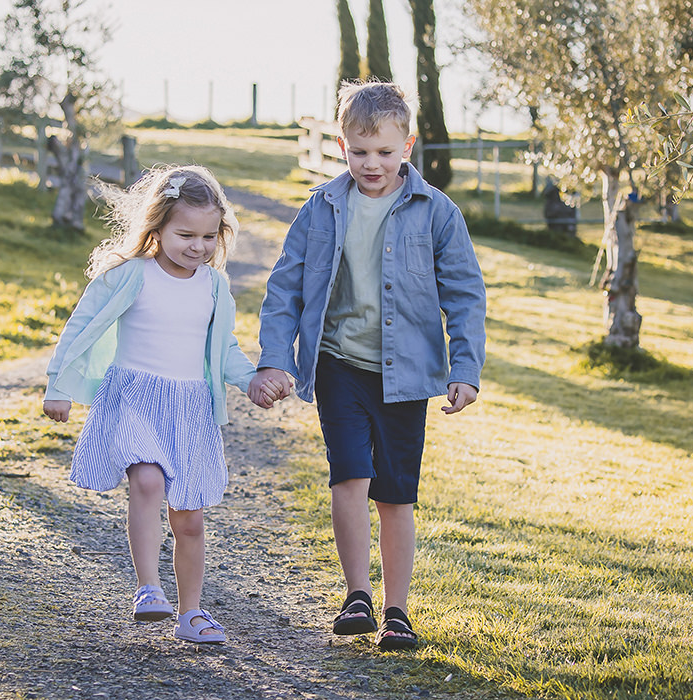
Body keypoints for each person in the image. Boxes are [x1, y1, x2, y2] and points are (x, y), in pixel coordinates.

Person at [247, 81, 487, 650]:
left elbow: (464, 292)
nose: (371, 163)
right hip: (339, 365)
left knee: (395, 493)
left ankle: (397, 609)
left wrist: (465, 368)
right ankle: (357, 595)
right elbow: (284, 290)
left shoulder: (436, 212)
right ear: (340, 144)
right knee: (349, 474)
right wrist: (276, 359)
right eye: (359, 151)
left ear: (408, 144)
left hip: (406, 374)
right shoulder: (322, 208)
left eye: (384, 151)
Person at [43, 165, 282, 645]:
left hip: (189, 411)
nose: (197, 246)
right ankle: (148, 588)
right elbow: (81, 325)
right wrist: (58, 385)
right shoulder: (132, 275)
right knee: (147, 481)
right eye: (185, 234)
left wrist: (251, 381)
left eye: (209, 236)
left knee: (189, 520)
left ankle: (191, 613)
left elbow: (223, 348)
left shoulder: (213, 287)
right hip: (134, 398)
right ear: (157, 227)